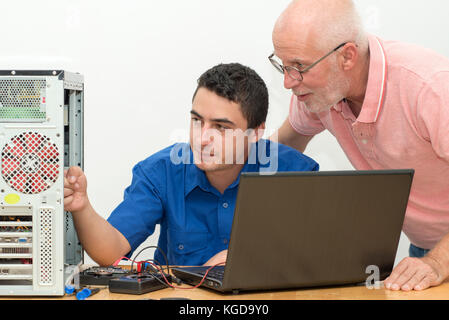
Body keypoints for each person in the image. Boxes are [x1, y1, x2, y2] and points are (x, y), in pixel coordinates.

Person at [269, 0, 449, 291]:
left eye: (300, 66)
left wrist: (439, 262)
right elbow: (281, 151)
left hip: (439, 258)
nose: (289, 82)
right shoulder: (317, 92)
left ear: (347, 56)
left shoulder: (432, 88)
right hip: (426, 252)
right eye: (283, 66)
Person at [64, 63, 319, 268]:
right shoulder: (160, 172)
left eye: (221, 127)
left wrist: (253, 257)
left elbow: (318, 255)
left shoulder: (295, 172)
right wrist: (82, 207)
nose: (202, 137)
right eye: (197, 121)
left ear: (254, 133)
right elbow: (112, 252)